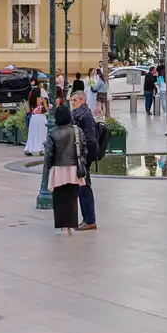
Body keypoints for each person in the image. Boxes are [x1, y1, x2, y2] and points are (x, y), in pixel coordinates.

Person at [42, 104, 85, 235]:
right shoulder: (77, 131)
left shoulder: (52, 132)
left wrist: (48, 166)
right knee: (72, 196)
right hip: (74, 167)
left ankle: (62, 224)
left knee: (59, 196)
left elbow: (49, 153)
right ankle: (70, 224)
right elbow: (84, 148)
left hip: (58, 167)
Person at [67, 90, 100, 231]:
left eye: (74, 100)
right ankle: (86, 219)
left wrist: (82, 154)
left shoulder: (86, 116)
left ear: (82, 100)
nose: (72, 103)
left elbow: (90, 140)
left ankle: (90, 220)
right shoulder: (77, 115)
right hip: (80, 156)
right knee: (82, 187)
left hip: (84, 157)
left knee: (84, 187)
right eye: (71, 100)